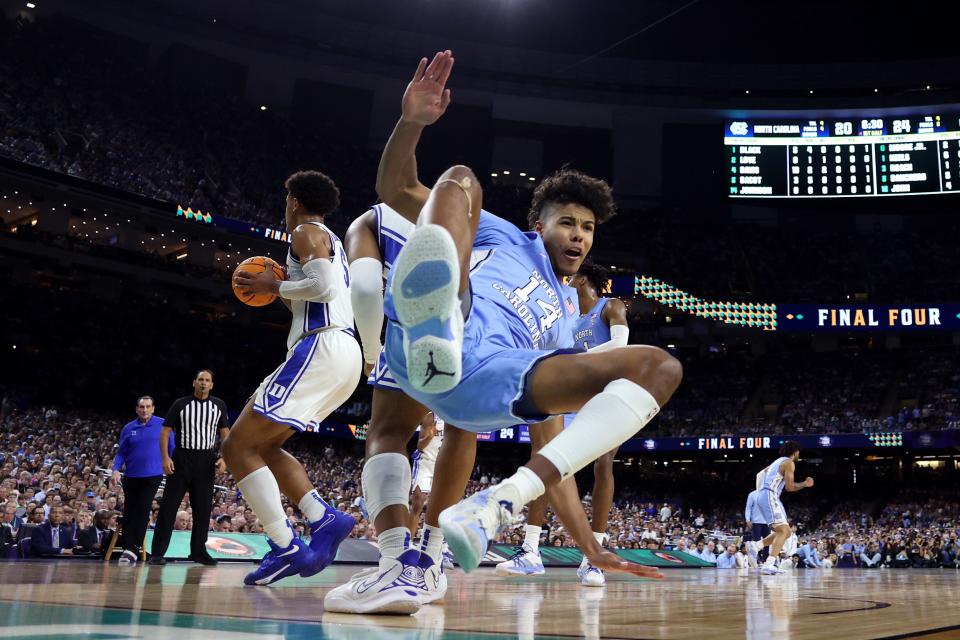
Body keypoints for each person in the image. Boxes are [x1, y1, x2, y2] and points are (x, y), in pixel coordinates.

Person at [326, 51, 675, 616]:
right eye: (568, 222)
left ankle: (488, 509)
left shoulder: (568, 318)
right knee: (460, 177)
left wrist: (590, 547)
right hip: (442, 337)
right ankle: (399, 565)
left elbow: (551, 445)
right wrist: (412, 121)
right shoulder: (505, 235)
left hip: (490, 382)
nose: (580, 236)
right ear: (540, 225)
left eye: (588, 229)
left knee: (659, 365)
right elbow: (395, 188)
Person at [222, 170, 360, 586]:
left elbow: (323, 289)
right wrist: (280, 290)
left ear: (295, 202)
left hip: (322, 348)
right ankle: (323, 518)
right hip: (341, 353)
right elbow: (318, 295)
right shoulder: (331, 241)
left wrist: (273, 284)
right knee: (262, 446)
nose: (285, 210)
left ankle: (285, 545)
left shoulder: (305, 231)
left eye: (286, 202)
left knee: (236, 446)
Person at [498, 260, 630, 587]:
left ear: (582, 277)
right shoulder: (567, 316)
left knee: (603, 465)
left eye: (570, 277)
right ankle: (530, 550)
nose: (564, 281)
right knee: (545, 460)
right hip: (571, 396)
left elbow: (621, 345)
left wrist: (578, 360)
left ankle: (593, 558)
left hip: (605, 395)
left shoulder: (609, 305)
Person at [149, 370, 230, 566]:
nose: (203, 383)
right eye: (200, 380)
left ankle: (198, 552)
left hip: (206, 460)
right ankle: (157, 552)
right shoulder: (180, 404)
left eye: (207, 380)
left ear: (212, 385)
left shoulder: (219, 405)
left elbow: (225, 433)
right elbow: (165, 431)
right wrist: (165, 458)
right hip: (182, 458)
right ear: (194, 382)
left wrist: (225, 459)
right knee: (169, 507)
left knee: (202, 509)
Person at [112, 395, 170, 564]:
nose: (144, 410)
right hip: (131, 476)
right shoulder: (128, 428)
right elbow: (121, 452)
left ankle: (133, 547)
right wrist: (115, 469)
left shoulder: (163, 425)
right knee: (130, 510)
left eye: (148, 407)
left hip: (152, 475)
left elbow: (171, 447)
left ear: (153, 408)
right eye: (141, 407)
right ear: (137, 409)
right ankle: (127, 546)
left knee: (143, 508)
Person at [753, 442, 814, 575]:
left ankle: (755, 546)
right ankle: (769, 563)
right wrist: (805, 484)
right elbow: (790, 487)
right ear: (794, 451)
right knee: (783, 530)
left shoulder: (777, 461)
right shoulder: (789, 463)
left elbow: (759, 474)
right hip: (769, 495)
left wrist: (759, 494)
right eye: (798, 451)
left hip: (765, 495)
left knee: (786, 532)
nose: (799, 454)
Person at [407, 411, 444, 539]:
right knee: (418, 502)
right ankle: (407, 543)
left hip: (443, 464)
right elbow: (420, 446)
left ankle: (437, 546)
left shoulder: (457, 416)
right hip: (426, 461)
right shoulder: (431, 417)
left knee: (442, 508)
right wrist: (429, 437)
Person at [744, 488, 770, 564]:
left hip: (767, 522)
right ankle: (757, 560)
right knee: (756, 542)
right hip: (756, 522)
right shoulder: (752, 494)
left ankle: (765, 560)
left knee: (767, 542)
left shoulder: (768, 494)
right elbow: (748, 507)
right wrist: (747, 519)